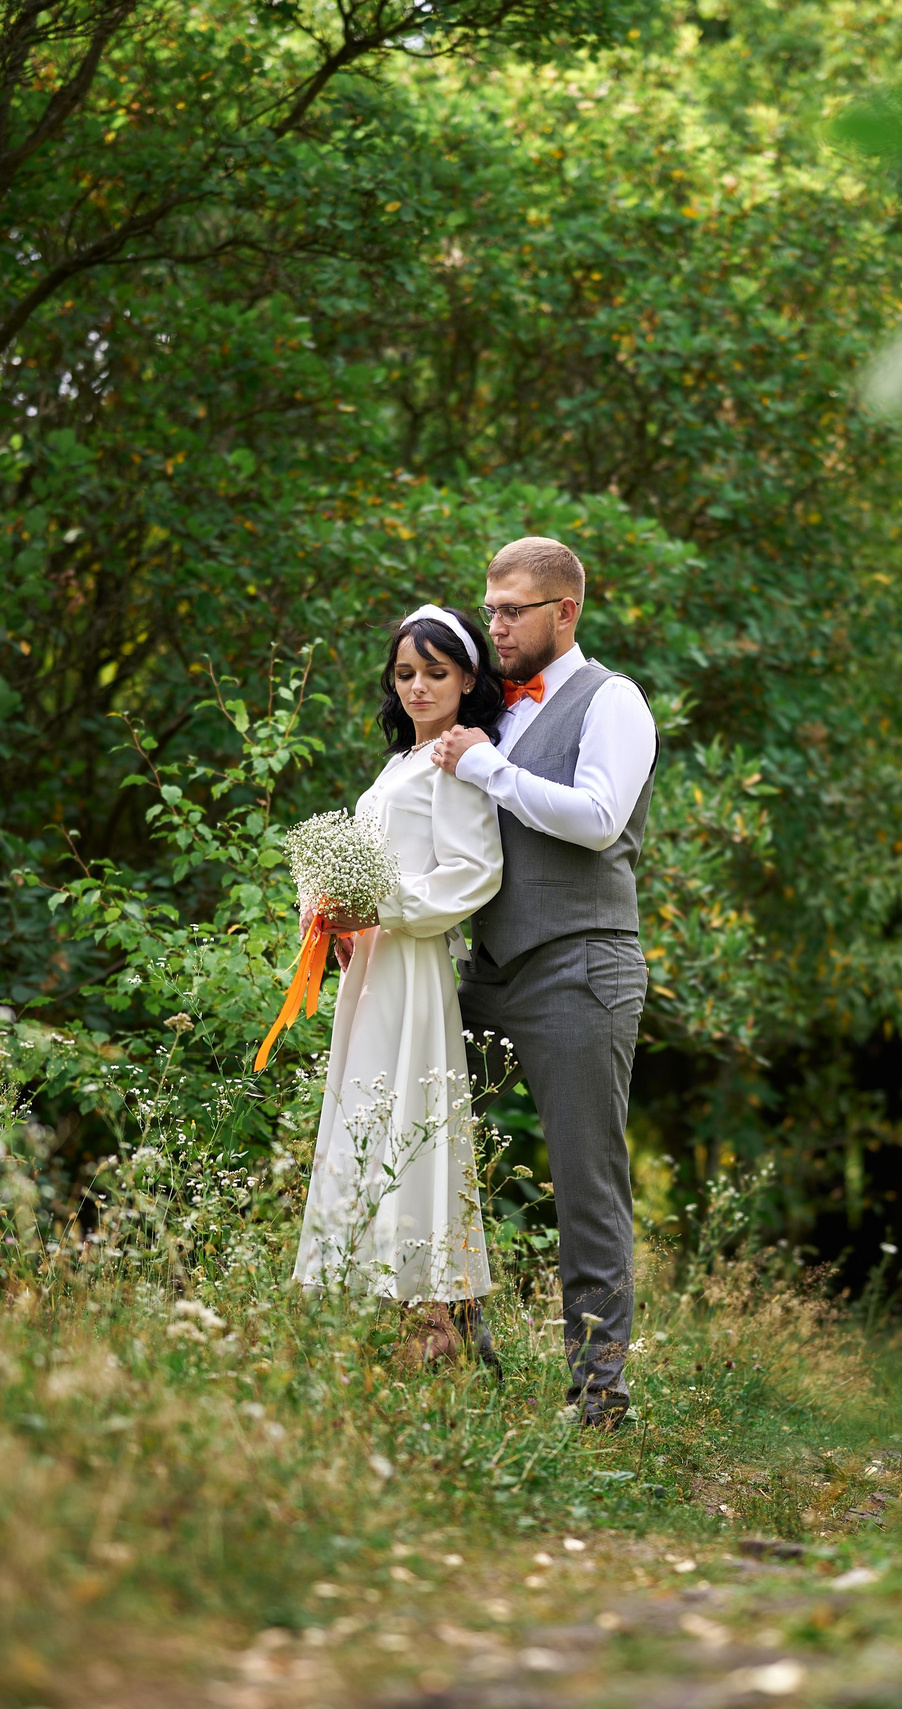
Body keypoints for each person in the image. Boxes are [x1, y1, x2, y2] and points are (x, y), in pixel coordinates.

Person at [431, 536, 656, 1427]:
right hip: (490, 971)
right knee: (433, 1150)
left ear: (565, 611)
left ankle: (600, 1396)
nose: (495, 625)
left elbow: (599, 819)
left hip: (582, 968)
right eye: (489, 607)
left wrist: (487, 764)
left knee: (587, 1186)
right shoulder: (498, 709)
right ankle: (460, 1354)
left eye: (512, 609)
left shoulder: (614, 701)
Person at [294, 605, 507, 1371]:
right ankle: (391, 1304)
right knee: (368, 1117)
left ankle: (435, 1311)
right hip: (375, 968)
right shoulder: (397, 767)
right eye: (406, 673)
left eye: (436, 673)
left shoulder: (455, 764)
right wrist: (337, 921)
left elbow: (474, 874)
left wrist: (382, 909)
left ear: (468, 678)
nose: (418, 687)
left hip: (415, 969)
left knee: (410, 1117)